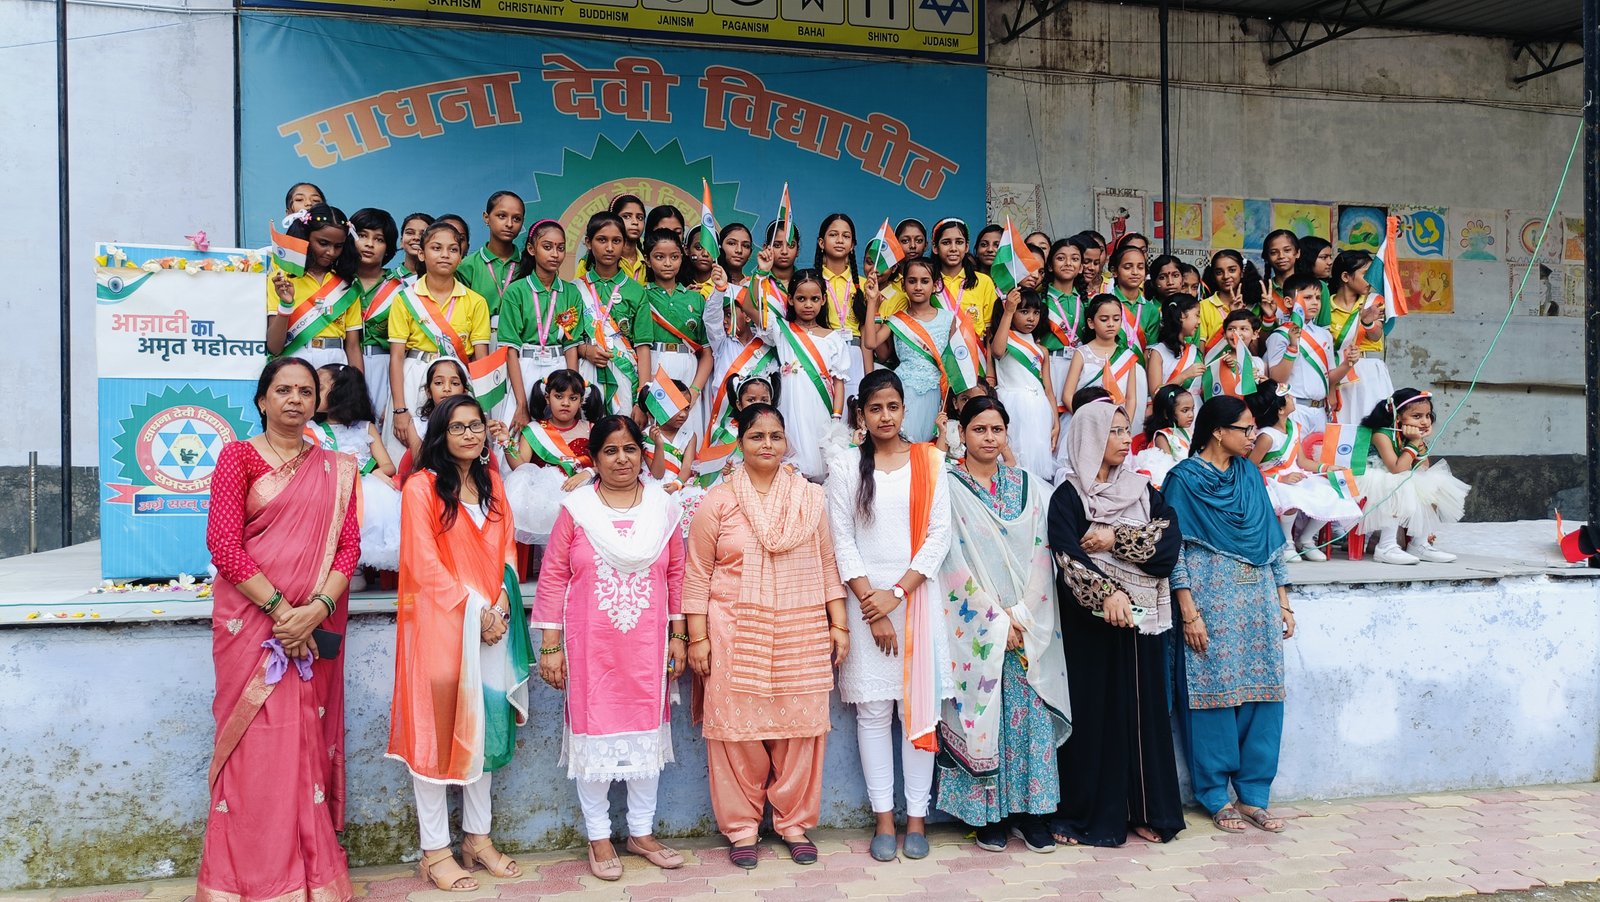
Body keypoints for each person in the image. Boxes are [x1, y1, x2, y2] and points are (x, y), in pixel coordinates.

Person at [200, 357, 359, 902]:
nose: (295, 399)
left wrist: (315, 610)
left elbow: (349, 547)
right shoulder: (238, 457)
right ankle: (248, 881)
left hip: (310, 627)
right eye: (283, 390)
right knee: (256, 749)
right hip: (251, 626)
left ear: (318, 403)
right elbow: (223, 544)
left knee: (301, 746)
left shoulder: (337, 468)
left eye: (305, 391)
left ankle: (309, 878)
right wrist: (280, 610)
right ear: (263, 399)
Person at [683, 403, 849, 868]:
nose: (767, 445)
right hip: (732, 633)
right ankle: (742, 828)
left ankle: (794, 823)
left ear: (786, 442)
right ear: (740, 442)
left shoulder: (808, 498)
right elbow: (697, 573)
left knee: (800, 731)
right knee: (736, 734)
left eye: (775, 436)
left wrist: (838, 624)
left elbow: (827, 564)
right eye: (757, 436)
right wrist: (697, 637)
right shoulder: (719, 501)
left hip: (800, 632)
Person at [532, 415, 687, 881]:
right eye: (611, 451)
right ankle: (598, 836)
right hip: (590, 645)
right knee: (593, 733)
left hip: (647, 644)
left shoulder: (663, 507)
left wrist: (679, 636)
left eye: (630, 449)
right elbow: (553, 576)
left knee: (646, 731)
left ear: (642, 454)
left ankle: (641, 832)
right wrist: (550, 646)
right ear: (595, 460)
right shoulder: (577, 509)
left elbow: (677, 575)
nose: (622, 459)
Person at [387, 395, 531, 891]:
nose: (470, 435)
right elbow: (423, 564)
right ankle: (434, 851)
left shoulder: (492, 482)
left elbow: (507, 547)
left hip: (492, 625)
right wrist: (476, 612)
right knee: (436, 732)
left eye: (476, 426)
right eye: (458, 427)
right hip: (444, 627)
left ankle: (477, 838)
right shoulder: (421, 487)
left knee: (483, 728)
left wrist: (501, 605)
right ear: (440, 434)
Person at [824, 370, 952, 862]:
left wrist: (897, 593)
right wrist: (871, 605)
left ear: (904, 409)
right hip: (865, 604)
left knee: (916, 709)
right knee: (874, 713)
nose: (885, 416)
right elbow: (842, 540)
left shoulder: (930, 461)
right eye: (875, 408)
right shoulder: (845, 466)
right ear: (861, 413)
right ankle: (883, 819)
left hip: (915, 600)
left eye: (892, 407)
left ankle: (916, 818)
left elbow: (938, 536)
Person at [934, 396, 1070, 854]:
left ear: (1007, 434)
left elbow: (1041, 552)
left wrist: (1023, 616)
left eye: (997, 430)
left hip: (1028, 624)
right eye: (979, 429)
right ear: (962, 434)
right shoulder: (948, 486)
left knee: (1030, 717)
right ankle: (987, 816)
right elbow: (952, 561)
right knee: (982, 712)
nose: (989, 438)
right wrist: (994, 621)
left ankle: (1032, 815)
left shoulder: (1027, 485)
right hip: (976, 624)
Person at [1047, 397, 1184, 847]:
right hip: (1090, 627)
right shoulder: (1068, 496)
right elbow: (1067, 557)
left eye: (1127, 430)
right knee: (1095, 718)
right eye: (1115, 431)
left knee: (1143, 717)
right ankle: (1085, 817)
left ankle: (1148, 812)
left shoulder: (1143, 491)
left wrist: (1115, 538)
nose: (1126, 440)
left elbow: (1167, 543)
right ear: (1089, 437)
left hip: (1142, 626)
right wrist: (1109, 593)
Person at [1164, 395, 1295, 835]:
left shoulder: (1249, 475)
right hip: (1210, 605)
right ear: (1218, 432)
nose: (1253, 435)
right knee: (1212, 696)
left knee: (1263, 696)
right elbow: (1174, 551)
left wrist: (1283, 601)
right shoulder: (1183, 480)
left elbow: (1272, 541)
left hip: (1258, 604)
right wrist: (1189, 613)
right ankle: (1216, 796)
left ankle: (1254, 795)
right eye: (1246, 428)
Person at [386, 222, 492, 452]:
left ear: (461, 256)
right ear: (422, 254)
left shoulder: (476, 301)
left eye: (453, 249)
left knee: (457, 447)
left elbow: (481, 360)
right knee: (408, 452)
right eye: (436, 248)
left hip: (457, 381)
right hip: (415, 377)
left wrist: (481, 407)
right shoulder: (405, 299)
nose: (445, 255)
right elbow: (396, 357)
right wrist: (399, 409)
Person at [735, 267, 849, 480]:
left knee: (822, 461)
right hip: (790, 404)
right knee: (791, 459)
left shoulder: (834, 338)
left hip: (821, 408)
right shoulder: (781, 329)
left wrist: (836, 417)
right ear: (790, 300)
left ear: (824, 300)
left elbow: (839, 381)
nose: (808, 304)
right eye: (801, 298)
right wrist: (760, 274)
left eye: (815, 299)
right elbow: (749, 307)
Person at [1245, 382, 1362, 562]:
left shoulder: (1292, 426)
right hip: (1272, 481)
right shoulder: (1266, 437)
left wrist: (1326, 468)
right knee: (1291, 497)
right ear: (1280, 410)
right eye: (1288, 397)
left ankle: (1306, 539)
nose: (1292, 398)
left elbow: (1302, 461)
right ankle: (1286, 542)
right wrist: (1281, 478)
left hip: (1296, 475)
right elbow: (1249, 469)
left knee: (1333, 492)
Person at [1355, 388, 1470, 565]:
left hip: (1396, 474)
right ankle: (1386, 546)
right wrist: (1415, 442)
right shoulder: (1381, 434)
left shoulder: (1408, 434)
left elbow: (1422, 467)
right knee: (1398, 484)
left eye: (1428, 415)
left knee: (1433, 482)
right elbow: (1397, 469)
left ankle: (1419, 544)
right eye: (1417, 416)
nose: (1425, 421)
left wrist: (1418, 442)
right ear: (1397, 416)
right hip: (1371, 476)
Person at [498, 219, 585, 433]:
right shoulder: (516, 291)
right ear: (531, 249)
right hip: (524, 367)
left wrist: (573, 390)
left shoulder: (571, 292)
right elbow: (510, 350)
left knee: (559, 434)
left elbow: (571, 346)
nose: (555, 254)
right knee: (518, 433)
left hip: (560, 366)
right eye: (547, 247)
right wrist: (521, 403)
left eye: (560, 248)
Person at [314, 363, 400, 572]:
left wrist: (374, 472)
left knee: (372, 506)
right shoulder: (310, 429)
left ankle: (356, 566)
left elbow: (389, 466)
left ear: (340, 393)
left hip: (363, 487)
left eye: (319, 388)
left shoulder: (365, 427)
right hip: (325, 486)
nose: (312, 393)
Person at [504, 369, 604, 544]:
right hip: (546, 507)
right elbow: (520, 467)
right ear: (547, 397)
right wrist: (506, 442)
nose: (565, 403)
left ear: (581, 401)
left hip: (587, 502)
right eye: (559, 396)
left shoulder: (592, 429)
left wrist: (588, 472)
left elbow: (605, 466)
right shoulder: (534, 430)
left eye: (573, 398)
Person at [863, 257, 954, 443]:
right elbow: (871, 343)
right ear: (903, 285)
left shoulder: (948, 319)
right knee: (904, 442)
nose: (918, 287)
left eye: (925, 281)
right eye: (912, 281)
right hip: (904, 390)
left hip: (937, 391)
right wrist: (872, 303)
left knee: (929, 448)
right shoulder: (897, 320)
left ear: (935, 285)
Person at [635, 228, 712, 439]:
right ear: (647, 260)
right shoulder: (640, 294)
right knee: (655, 434)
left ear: (682, 256)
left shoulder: (696, 299)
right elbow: (641, 346)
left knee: (688, 434)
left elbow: (707, 353)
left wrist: (694, 391)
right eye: (660, 257)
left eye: (674, 257)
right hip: (654, 365)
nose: (668, 263)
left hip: (688, 368)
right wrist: (642, 394)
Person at [267, 203, 363, 369]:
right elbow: (274, 347)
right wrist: (286, 305)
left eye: (338, 246)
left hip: (336, 361)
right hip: (295, 359)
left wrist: (358, 383)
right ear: (306, 238)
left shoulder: (347, 283)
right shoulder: (282, 278)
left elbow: (353, 347)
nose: (331, 252)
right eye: (323, 243)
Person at [1265, 273, 1359, 437]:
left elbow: (1329, 377)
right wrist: (1292, 347)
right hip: (1294, 409)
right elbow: (1277, 378)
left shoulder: (1324, 335)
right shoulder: (1280, 335)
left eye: (1318, 297)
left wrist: (1348, 363)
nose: (1315, 302)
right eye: (1307, 297)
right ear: (1288, 302)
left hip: (1320, 410)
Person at [574, 212, 646, 416]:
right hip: (587, 369)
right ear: (588, 243)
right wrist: (585, 350)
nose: (609, 247)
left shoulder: (636, 290)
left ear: (624, 244)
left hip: (626, 373)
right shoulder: (575, 289)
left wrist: (642, 400)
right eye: (602, 240)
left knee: (622, 429)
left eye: (616, 241)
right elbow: (567, 341)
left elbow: (643, 346)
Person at [987, 288, 1058, 479]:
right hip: (1012, 405)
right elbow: (998, 351)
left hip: (1040, 408)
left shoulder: (1042, 350)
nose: (1031, 318)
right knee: (1014, 454)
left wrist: (1056, 423)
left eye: (1036, 312)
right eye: (1024, 311)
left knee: (1035, 456)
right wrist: (1009, 311)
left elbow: (1048, 390)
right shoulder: (1002, 339)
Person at [349, 207, 401, 432]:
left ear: (388, 247)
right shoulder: (338, 283)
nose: (369, 244)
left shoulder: (400, 288)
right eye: (362, 235)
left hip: (386, 367)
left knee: (384, 430)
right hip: (345, 364)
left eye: (379, 239)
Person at [1326, 250, 1392, 425]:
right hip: (1339, 371)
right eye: (1365, 274)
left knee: (1373, 426)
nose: (1370, 280)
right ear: (1345, 277)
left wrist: (1367, 322)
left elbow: (1376, 335)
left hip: (1368, 371)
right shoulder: (1325, 306)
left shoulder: (1373, 301)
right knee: (1345, 425)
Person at [814, 213, 870, 395]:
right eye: (833, 235)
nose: (839, 240)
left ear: (852, 245)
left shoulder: (863, 285)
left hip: (854, 354)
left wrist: (870, 379)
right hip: (821, 352)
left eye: (846, 236)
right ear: (821, 243)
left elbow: (866, 336)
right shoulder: (812, 282)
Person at [457, 191, 526, 335]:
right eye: (501, 216)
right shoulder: (467, 266)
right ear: (486, 217)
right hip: (478, 341)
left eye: (516, 218)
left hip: (520, 342)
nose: (509, 224)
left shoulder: (528, 265)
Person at [930, 218, 999, 338]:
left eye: (959, 242)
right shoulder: (928, 281)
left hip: (975, 348)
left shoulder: (983, 282)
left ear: (966, 247)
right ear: (935, 247)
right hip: (936, 348)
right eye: (946, 243)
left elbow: (990, 330)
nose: (953, 248)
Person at [1128, 383, 1195, 488]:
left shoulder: (1188, 431)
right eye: (1185, 410)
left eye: (1192, 409)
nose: (1191, 415)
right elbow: (1167, 469)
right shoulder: (1162, 437)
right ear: (1166, 414)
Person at [1198, 250, 1266, 346]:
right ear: (1213, 276)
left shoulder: (1253, 307)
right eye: (1219, 272)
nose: (1226, 276)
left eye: (1232, 270)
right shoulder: (1203, 306)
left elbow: (1255, 350)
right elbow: (1200, 348)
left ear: (1242, 272)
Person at [1145, 294, 1204, 402]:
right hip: (1171, 410)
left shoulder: (1193, 350)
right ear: (1182, 315)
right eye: (1197, 315)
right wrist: (1185, 375)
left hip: (1197, 408)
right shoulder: (1158, 353)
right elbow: (1156, 394)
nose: (1199, 321)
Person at [577, 194, 648, 282]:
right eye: (626, 216)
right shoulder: (588, 262)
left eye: (640, 218)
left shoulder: (649, 260)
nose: (635, 222)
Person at [1260, 229, 1300, 324]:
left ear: (1298, 253)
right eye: (1274, 252)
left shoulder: (1318, 287)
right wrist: (1269, 318)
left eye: (1287, 250)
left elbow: (1324, 329)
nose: (1281, 256)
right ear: (1267, 257)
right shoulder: (1262, 292)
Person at [392, 212, 433, 285]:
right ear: (401, 241)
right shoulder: (389, 278)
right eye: (410, 233)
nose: (416, 237)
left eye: (423, 234)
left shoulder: (440, 278)